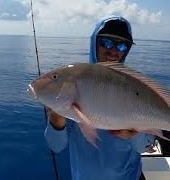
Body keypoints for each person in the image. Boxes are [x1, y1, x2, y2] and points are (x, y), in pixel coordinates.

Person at [44, 15, 155, 180]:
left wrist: (135, 134)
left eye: (122, 46)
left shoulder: (136, 88)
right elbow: (56, 146)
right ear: (94, 42)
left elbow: (143, 147)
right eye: (107, 42)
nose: (114, 51)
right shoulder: (73, 85)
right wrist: (55, 119)